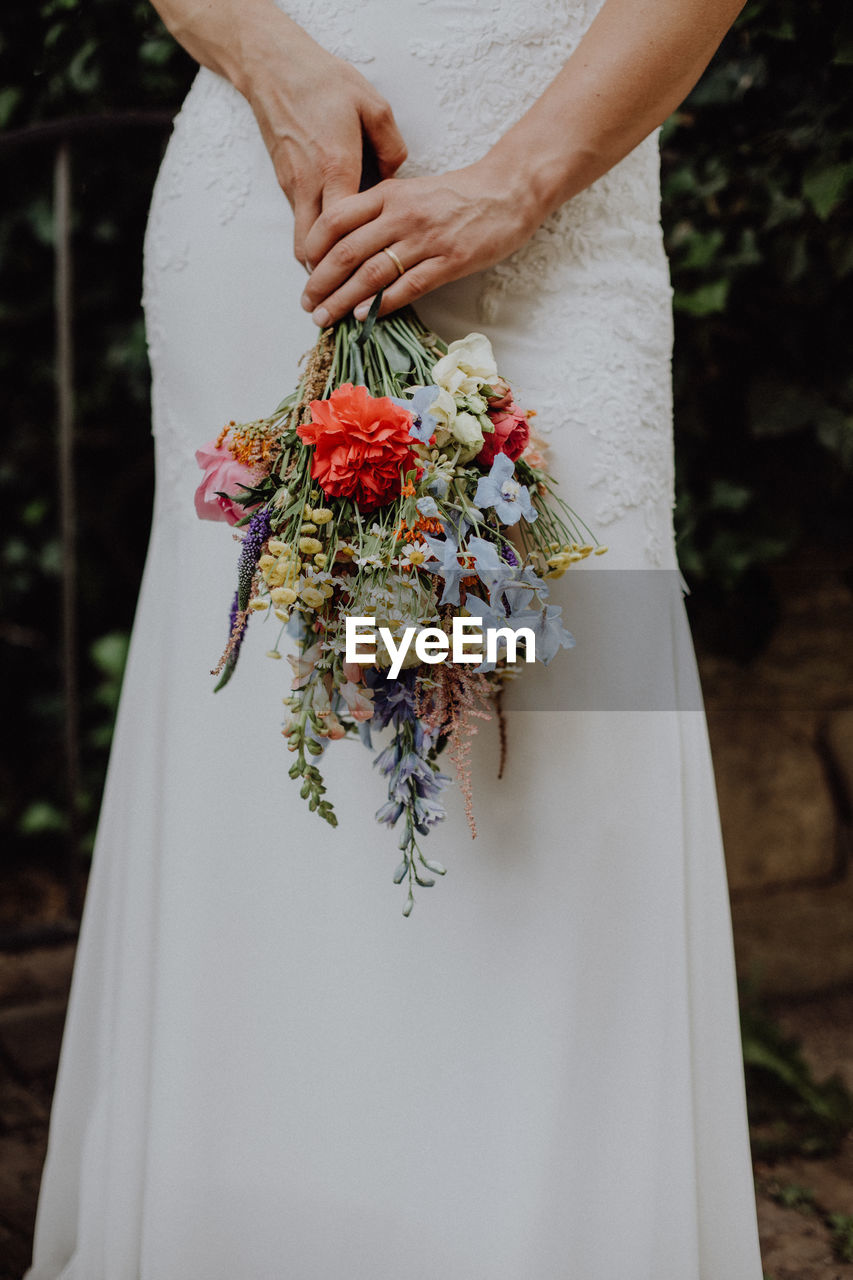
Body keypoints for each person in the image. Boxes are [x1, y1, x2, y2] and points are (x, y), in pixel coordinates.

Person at [25, 1, 765, 1277]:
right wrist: (272, 64)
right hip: (278, 214)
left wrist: (516, 180)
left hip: (555, 220)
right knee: (275, 726)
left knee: (572, 696)